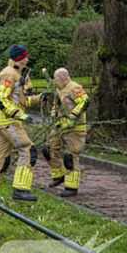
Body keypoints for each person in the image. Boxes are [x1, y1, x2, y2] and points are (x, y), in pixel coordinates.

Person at [0, 44, 48, 201]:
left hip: (7, 120)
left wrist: (39, 98)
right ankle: (20, 189)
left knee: (1, 157)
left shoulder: (18, 73)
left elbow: (19, 101)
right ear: (19, 58)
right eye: (25, 56)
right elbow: (0, 99)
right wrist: (18, 115)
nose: (27, 59)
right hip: (9, 121)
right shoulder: (9, 74)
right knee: (28, 150)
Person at [43, 68, 90, 197]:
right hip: (60, 128)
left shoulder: (74, 87)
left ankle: (71, 187)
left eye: (55, 78)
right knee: (48, 149)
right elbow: (57, 104)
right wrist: (53, 112)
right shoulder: (59, 88)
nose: (54, 80)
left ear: (62, 77)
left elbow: (84, 102)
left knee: (70, 157)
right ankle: (59, 175)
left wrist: (73, 116)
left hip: (74, 129)